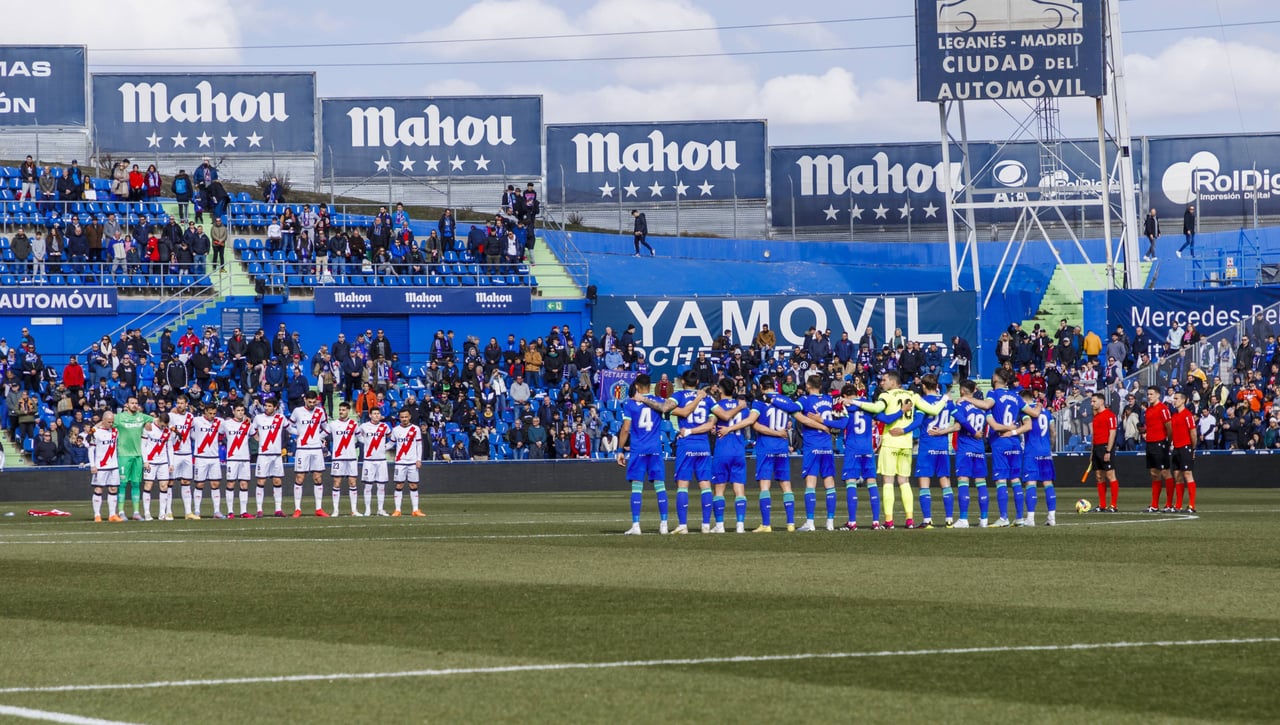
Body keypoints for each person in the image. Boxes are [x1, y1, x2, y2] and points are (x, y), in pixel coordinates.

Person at [859, 370, 943, 529]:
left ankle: (889, 521)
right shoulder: (912, 395)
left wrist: (857, 403)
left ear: (893, 382)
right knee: (904, 481)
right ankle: (909, 520)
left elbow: (876, 408)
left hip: (890, 442)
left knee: (888, 481)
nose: (881, 382)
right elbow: (933, 410)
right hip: (906, 444)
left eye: (884, 380)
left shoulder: (886, 396)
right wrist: (945, 398)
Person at [639, 371, 714, 534]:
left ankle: (683, 525)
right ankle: (706, 525)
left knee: (683, 485)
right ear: (698, 381)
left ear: (682, 382)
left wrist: (643, 399)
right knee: (705, 485)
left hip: (686, 444)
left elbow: (665, 408)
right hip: (704, 444)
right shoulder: (707, 398)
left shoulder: (678, 396)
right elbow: (715, 419)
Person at [969, 368, 1027, 527]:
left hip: (1000, 441)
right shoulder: (1016, 397)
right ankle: (1020, 518)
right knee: (1015, 479)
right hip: (1015, 441)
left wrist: (968, 398)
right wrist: (1014, 429)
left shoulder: (993, 394)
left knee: (1001, 480)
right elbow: (1032, 414)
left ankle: (1003, 517)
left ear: (995, 378)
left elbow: (986, 405)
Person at [617, 374, 670, 535]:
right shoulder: (659, 401)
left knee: (637, 487)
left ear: (637, 386)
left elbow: (626, 429)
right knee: (660, 486)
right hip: (655, 448)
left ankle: (636, 525)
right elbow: (666, 409)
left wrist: (619, 450)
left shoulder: (630, 403)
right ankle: (664, 524)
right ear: (650, 386)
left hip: (638, 449)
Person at [905, 374, 956, 528]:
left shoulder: (922, 402)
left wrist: (903, 430)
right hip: (942, 446)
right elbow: (961, 420)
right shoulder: (947, 402)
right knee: (945, 481)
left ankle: (927, 520)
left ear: (924, 386)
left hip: (927, 446)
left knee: (924, 482)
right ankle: (949, 520)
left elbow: (918, 422)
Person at [710, 378, 756, 533]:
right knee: (739, 489)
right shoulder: (742, 407)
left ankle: (720, 525)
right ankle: (740, 525)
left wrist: (715, 428)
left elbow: (713, 423)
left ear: (720, 390)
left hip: (722, 450)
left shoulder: (717, 406)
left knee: (719, 489)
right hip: (738, 450)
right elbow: (749, 422)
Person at [795, 374, 837, 531]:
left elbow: (795, 413)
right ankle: (830, 522)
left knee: (811, 483)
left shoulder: (804, 400)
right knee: (829, 482)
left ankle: (810, 522)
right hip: (827, 445)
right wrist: (826, 427)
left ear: (808, 385)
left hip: (812, 445)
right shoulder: (829, 400)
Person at [1015, 389, 1057, 527]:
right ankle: (1051, 518)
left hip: (1031, 451)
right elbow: (1053, 432)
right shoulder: (1047, 412)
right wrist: (1049, 447)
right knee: (1048, 483)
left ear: (1023, 400)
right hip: (1045, 451)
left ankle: (1030, 518)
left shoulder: (1025, 411)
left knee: (1030, 483)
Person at [953, 380, 992, 528]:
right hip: (979, 448)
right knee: (981, 482)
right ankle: (984, 519)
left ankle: (963, 519)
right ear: (974, 390)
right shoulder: (982, 408)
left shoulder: (961, 405)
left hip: (965, 447)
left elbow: (959, 424)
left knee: (963, 480)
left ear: (962, 391)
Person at [113, 396, 155, 521]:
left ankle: (136, 512)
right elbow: (105, 421)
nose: (134, 405)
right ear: (127, 405)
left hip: (138, 455)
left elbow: (157, 421)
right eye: (132, 403)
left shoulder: (142, 417)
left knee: (136, 484)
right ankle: (121, 512)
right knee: (122, 484)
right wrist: (94, 429)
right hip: (124, 455)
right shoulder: (119, 417)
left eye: (136, 403)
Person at [290, 390, 329, 518]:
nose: (312, 404)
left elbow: (326, 427)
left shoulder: (320, 412)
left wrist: (319, 437)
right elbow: (289, 426)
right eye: (310, 402)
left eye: (314, 402)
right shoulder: (297, 411)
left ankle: (319, 508)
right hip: (302, 448)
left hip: (316, 448)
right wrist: (298, 433)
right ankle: (297, 509)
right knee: (299, 477)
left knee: (318, 477)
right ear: (305, 400)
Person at [188, 402, 225, 519]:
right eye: (210, 413)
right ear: (205, 412)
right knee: (200, 484)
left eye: (214, 413)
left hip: (214, 457)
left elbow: (231, 426)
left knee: (215, 484)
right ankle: (197, 510)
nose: (212, 416)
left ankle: (217, 511)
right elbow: (186, 427)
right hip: (201, 457)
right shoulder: (196, 421)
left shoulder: (220, 422)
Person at [253, 398, 289, 517]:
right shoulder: (258, 418)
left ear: (275, 407)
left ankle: (278, 509)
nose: (267, 408)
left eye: (269, 406)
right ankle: (259, 510)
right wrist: (258, 439)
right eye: (266, 406)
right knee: (261, 481)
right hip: (263, 455)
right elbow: (252, 431)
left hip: (276, 455)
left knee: (277, 481)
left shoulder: (281, 418)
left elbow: (289, 429)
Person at [1141, 386, 1175, 513]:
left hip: (1160, 443)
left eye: (1151, 394)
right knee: (1154, 473)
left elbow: (1169, 427)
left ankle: (1169, 504)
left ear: (1158, 395)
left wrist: (1168, 442)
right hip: (1150, 443)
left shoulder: (1163, 409)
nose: (1149, 396)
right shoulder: (1148, 410)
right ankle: (1154, 505)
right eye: (1148, 394)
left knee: (1165, 472)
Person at [219, 402, 254, 519]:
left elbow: (255, 435)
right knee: (230, 483)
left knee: (244, 484)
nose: (240, 413)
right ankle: (230, 511)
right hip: (232, 458)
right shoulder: (226, 424)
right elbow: (219, 435)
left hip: (245, 458)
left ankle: (244, 511)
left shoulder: (248, 424)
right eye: (238, 410)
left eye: (242, 410)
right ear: (233, 411)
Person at [389, 409, 426, 517]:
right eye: (402, 417)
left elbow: (419, 445)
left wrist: (418, 459)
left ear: (409, 417)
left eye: (406, 417)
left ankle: (415, 510)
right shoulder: (395, 430)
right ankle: (397, 510)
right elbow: (391, 444)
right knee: (399, 485)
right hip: (400, 462)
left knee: (413, 485)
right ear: (399, 418)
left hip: (412, 462)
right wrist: (380, 448)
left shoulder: (415, 429)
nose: (404, 419)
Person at [328, 402, 363, 515]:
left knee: (352, 483)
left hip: (351, 457)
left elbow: (361, 438)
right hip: (338, 458)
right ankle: (335, 510)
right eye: (340, 410)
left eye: (343, 410)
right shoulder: (333, 424)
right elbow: (323, 435)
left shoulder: (354, 424)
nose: (341, 412)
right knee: (336, 482)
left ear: (348, 411)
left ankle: (354, 510)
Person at [90, 411, 123, 522]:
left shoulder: (115, 431)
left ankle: (112, 515)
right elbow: (91, 449)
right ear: (103, 421)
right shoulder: (95, 432)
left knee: (113, 488)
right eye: (109, 422)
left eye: (112, 422)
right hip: (101, 466)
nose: (111, 424)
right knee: (98, 489)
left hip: (113, 465)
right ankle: (97, 515)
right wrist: (93, 465)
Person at [168, 395, 197, 519]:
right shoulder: (171, 416)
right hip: (174, 453)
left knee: (186, 482)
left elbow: (193, 434)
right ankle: (168, 511)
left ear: (186, 404)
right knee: (170, 482)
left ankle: (188, 512)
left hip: (187, 453)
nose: (179, 405)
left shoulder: (191, 417)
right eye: (178, 403)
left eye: (181, 403)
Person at [1169, 391, 1198, 513]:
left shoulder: (1187, 415)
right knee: (1177, 476)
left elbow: (1193, 433)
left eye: (1176, 398)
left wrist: (1193, 448)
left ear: (1183, 400)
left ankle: (1192, 505)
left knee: (1187, 474)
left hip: (1185, 447)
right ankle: (1178, 505)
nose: (1174, 401)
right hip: (1176, 448)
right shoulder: (1174, 415)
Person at [359, 408, 391, 516]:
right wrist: (365, 443)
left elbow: (392, 439)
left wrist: (385, 447)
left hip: (381, 460)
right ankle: (367, 510)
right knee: (368, 486)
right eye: (374, 413)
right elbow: (358, 435)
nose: (376, 415)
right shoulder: (364, 426)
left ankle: (380, 509)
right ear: (370, 415)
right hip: (368, 460)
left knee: (381, 486)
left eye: (378, 413)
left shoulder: (385, 427)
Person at [1090, 392, 1119, 512]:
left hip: (1105, 447)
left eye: (1094, 401)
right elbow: (1094, 436)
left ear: (1101, 402)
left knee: (1110, 475)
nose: (1092, 404)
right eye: (1092, 401)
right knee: (1099, 476)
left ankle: (1113, 505)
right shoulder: (1096, 417)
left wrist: (1108, 451)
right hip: (1097, 448)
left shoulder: (1110, 415)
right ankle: (1102, 505)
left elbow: (1112, 433)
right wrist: (1092, 452)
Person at [141, 415, 172, 521]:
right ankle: (147, 513)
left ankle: (162, 513)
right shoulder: (149, 427)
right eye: (163, 425)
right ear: (158, 420)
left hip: (163, 462)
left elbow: (170, 447)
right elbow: (143, 445)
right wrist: (145, 460)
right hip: (150, 462)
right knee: (148, 485)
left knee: (164, 486)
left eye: (165, 425)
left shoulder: (167, 430)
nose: (164, 427)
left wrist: (171, 463)